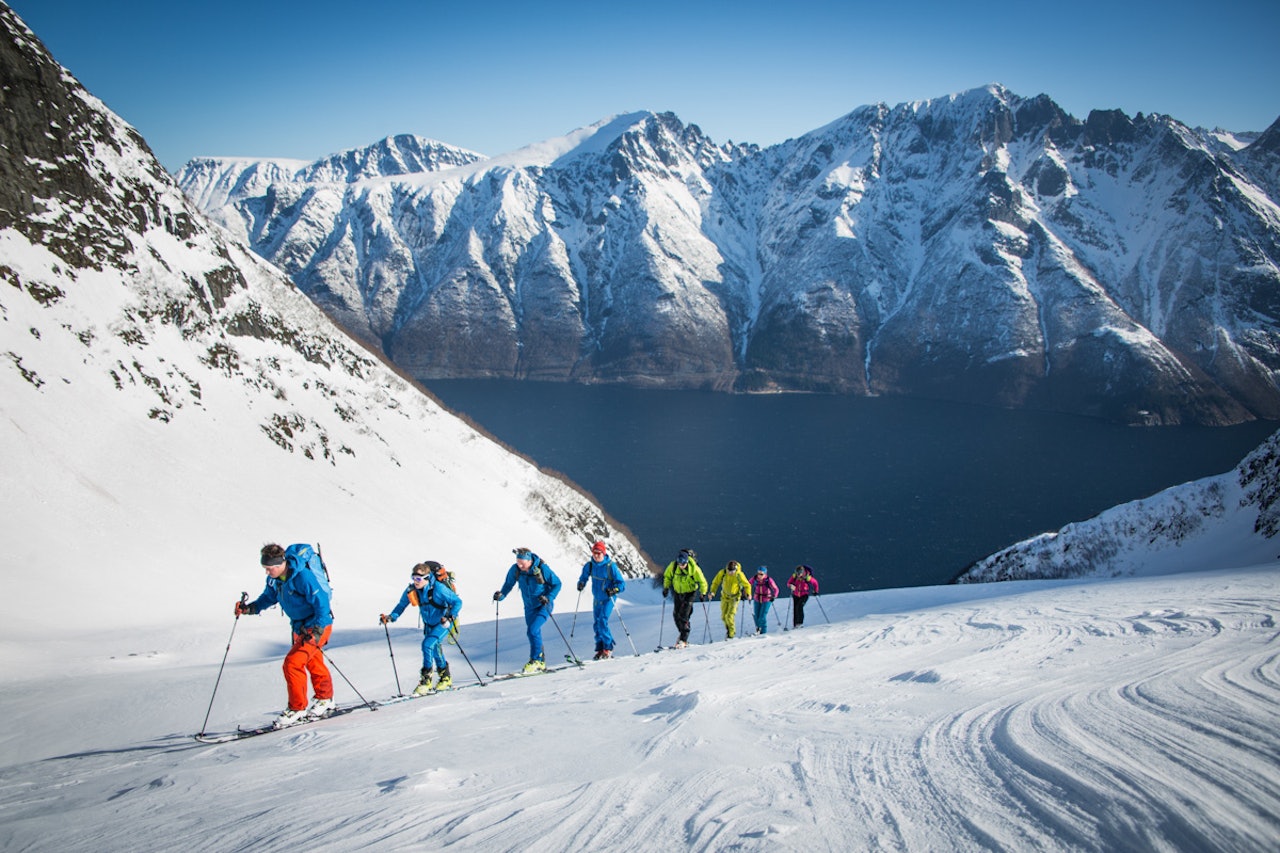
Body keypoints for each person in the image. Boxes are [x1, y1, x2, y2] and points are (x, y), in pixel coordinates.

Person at [234, 543, 335, 728]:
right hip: (300, 628)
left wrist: (318, 631)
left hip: (317, 626)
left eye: (269, 568)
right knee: (313, 662)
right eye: (265, 568)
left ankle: (297, 709)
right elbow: (268, 597)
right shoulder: (275, 580)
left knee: (292, 663)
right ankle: (325, 698)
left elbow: (321, 602)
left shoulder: (303, 576)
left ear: (281, 563)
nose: (267, 572)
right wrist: (250, 608)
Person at [381, 561, 463, 695]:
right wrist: (391, 617)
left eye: (418, 578)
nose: (415, 581)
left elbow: (457, 602)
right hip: (429, 625)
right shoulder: (412, 590)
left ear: (426, 578)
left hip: (443, 623)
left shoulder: (438, 589)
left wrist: (450, 617)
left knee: (427, 645)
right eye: (413, 578)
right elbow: (401, 605)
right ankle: (445, 677)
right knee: (434, 649)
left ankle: (426, 681)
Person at [494, 547, 562, 673]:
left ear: (529, 561)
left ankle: (535, 660)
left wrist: (548, 597)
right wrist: (501, 595)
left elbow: (557, 584)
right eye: (518, 562)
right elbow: (509, 584)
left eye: (522, 563)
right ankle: (540, 662)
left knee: (533, 630)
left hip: (544, 605)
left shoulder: (542, 569)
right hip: (529, 607)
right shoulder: (515, 570)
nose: (520, 565)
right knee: (533, 633)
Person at [577, 541, 627, 660]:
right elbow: (584, 576)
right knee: (596, 624)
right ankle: (600, 648)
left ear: (604, 553)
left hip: (608, 598)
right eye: (594, 553)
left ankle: (608, 647)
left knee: (602, 621)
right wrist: (581, 583)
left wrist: (614, 590)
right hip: (597, 598)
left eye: (599, 553)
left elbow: (621, 584)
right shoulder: (590, 565)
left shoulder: (610, 566)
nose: (596, 555)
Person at [661, 548, 708, 648]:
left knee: (684, 615)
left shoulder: (694, 569)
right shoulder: (673, 566)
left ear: (687, 561)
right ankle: (682, 633)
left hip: (690, 593)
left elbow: (702, 582)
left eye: (683, 564)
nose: (681, 566)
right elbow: (667, 577)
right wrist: (666, 588)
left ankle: (683, 639)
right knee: (676, 615)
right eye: (679, 563)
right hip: (678, 592)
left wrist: (703, 593)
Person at [709, 560, 751, 639]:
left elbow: (747, 585)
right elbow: (715, 582)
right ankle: (728, 629)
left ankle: (731, 634)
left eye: (732, 571)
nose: (730, 573)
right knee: (723, 616)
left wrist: (748, 594)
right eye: (729, 571)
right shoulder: (723, 573)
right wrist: (712, 592)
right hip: (725, 597)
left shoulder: (739, 575)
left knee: (729, 616)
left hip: (735, 597)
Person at [749, 566, 779, 635]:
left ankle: (763, 632)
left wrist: (774, 596)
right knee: (756, 616)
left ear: (765, 574)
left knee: (762, 616)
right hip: (757, 598)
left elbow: (776, 589)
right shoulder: (754, 578)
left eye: (761, 574)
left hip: (766, 599)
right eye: (758, 573)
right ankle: (758, 629)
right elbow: (748, 584)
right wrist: (746, 593)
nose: (759, 576)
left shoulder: (769, 580)